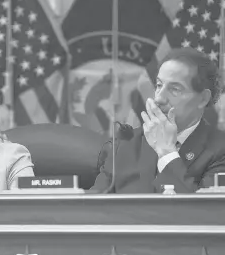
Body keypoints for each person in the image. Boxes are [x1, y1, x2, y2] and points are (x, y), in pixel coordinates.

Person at [91, 47, 225, 193]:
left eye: (175, 89)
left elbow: (204, 212)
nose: (159, 98)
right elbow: (93, 209)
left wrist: (166, 152)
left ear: (203, 99)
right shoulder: (124, 146)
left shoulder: (220, 150)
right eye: (159, 85)